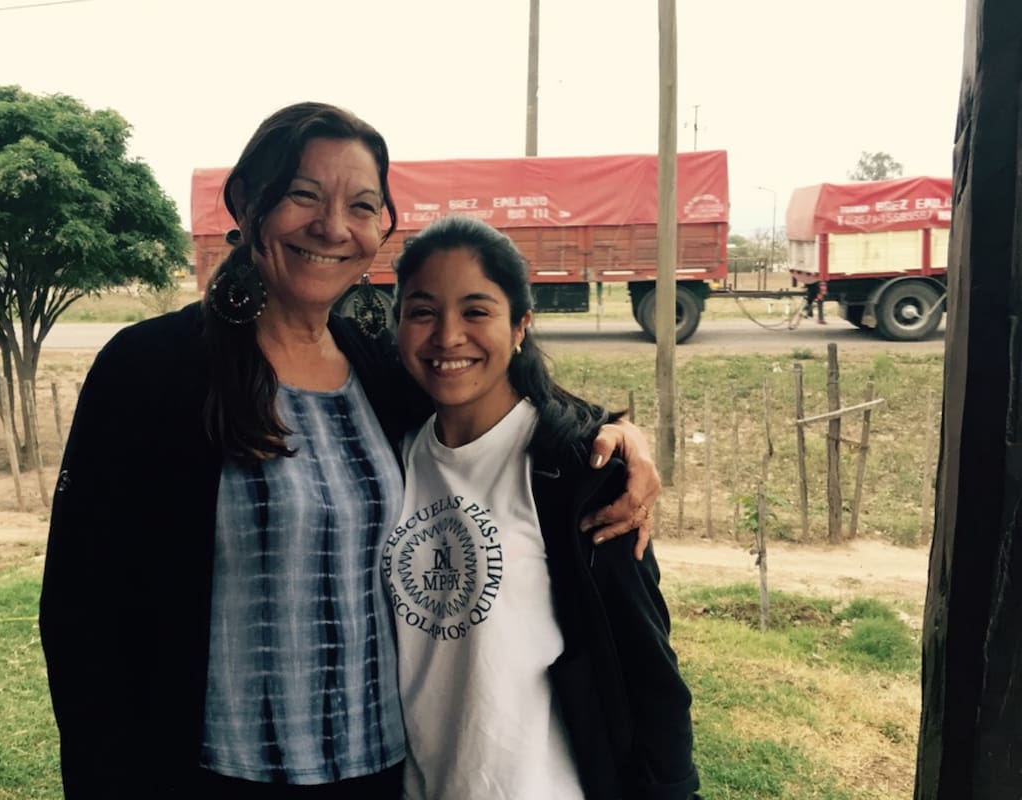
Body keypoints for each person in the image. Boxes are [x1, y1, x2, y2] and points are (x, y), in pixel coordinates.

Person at [39, 101, 660, 799]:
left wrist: (612, 433)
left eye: (361, 206)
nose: (333, 227)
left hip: (380, 775)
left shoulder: (380, 372)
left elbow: (492, 385)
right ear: (247, 202)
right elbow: (81, 617)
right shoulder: (152, 371)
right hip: (215, 775)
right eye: (304, 194)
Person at [386, 215, 700, 800]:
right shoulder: (392, 451)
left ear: (520, 325)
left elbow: (645, 665)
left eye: (476, 311)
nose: (448, 335)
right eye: (423, 311)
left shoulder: (580, 471)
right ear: (398, 324)